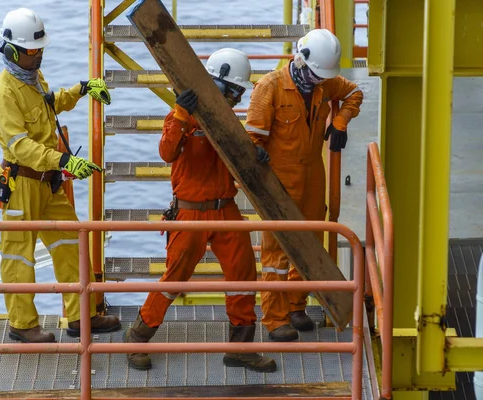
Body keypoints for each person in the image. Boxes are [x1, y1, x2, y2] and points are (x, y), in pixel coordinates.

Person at [123, 48, 276, 373]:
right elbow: (166, 153)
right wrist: (180, 115)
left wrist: (257, 154)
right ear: (217, 85)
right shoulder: (181, 116)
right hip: (190, 213)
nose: (237, 99)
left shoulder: (226, 122)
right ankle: (136, 337)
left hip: (225, 209)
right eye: (233, 91)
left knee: (243, 275)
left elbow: (241, 154)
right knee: (174, 278)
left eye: (239, 93)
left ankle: (241, 349)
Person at [0, 8, 120, 343]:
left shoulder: (32, 78)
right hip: (22, 184)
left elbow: (49, 104)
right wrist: (65, 161)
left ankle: (82, 316)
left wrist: (82, 88)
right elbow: (20, 147)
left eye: (41, 49)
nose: (39, 55)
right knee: (19, 254)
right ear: (13, 51)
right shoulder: (4, 94)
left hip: (48, 182)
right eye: (33, 51)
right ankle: (22, 324)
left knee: (72, 245)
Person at [246, 29, 363, 342]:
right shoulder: (269, 88)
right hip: (279, 180)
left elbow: (353, 93)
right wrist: (256, 155)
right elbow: (252, 139)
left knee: (310, 238)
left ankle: (297, 306)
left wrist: (340, 123)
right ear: (300, 60)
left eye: (322, 77)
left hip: (313, 174)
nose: (318, 81)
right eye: (315, 74)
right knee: (278, 251)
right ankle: (275, 319)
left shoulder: (324, 82)